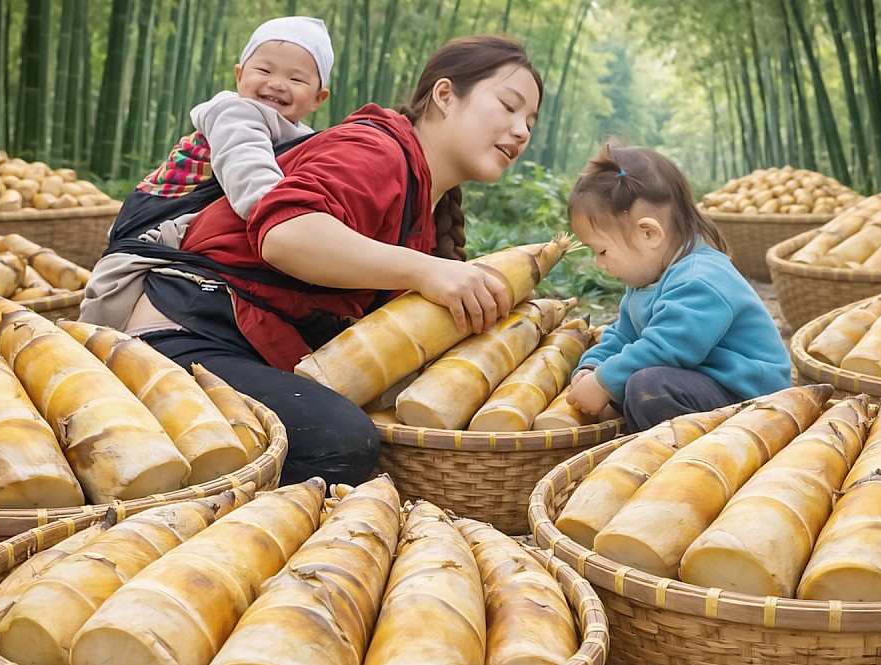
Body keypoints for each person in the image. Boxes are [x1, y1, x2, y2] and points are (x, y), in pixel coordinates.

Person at [101, 36, 543, 487]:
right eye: (508, 106)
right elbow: (285, 237)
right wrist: (425, 269)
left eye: (529, 121)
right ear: (445, 95)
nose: (522, 131)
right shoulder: (375, 150)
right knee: (339, 441)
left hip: (254, 346)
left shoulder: (428, 206)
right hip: (187, 333)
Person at [82, 16, 333, 327]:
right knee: (114, 338)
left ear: (318, 98)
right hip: (151, 240)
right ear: (239, 75)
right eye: (264, 71)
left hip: (188, 240)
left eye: (296, 79)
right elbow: (255, 188)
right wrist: (307, 232)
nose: (278, 84)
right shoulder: (236, 115)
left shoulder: (303, 137)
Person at [564, 142, 792, 432]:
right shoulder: (647, 281)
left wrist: (604, 382)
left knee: (648, 388)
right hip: (703, 384)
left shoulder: (700, 279)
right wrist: (592, 366)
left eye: (602, 251)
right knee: (634, 383)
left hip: (753, 399)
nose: (599, 264)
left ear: (649, 233)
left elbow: (668, 348)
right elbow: (623, 335)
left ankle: (686, 449)